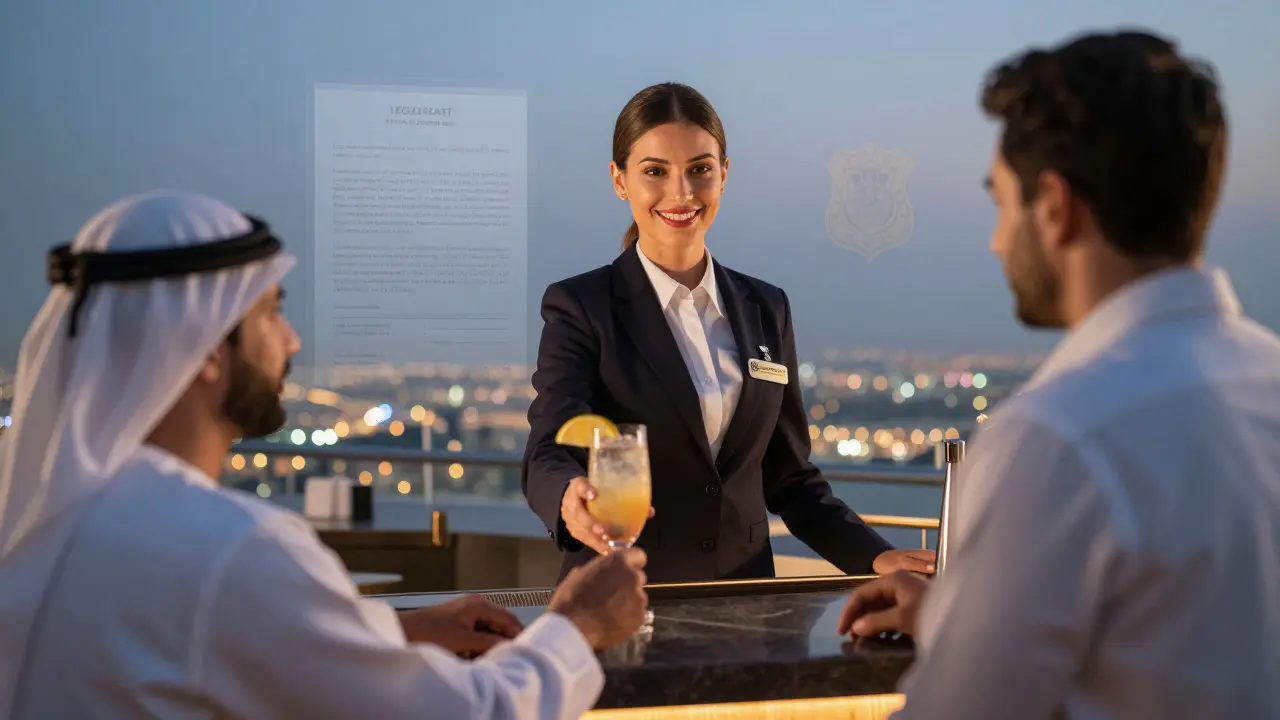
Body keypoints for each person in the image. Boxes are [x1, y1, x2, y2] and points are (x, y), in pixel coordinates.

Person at [0, 190, 649, 720]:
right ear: (201, 349)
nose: (290, 340)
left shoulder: (62, 522)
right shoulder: (228, 549)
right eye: (269, 314)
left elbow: (210, 641)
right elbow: (468, 713)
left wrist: (392, 632)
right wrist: (576, 625)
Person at [837, 30, 1280, 718]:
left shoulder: (1059, 439)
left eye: (1001, 203)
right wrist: (970, 616)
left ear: (1053, 206)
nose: (995, 239)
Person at [523, 82, 933, 583]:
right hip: (619, 595)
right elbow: (548, 450)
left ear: (724, 175)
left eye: (700, 169)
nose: (682, 193)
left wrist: (874, 557)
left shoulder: (766, 307)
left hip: (747, 604)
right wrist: (569, 497)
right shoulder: (580, 306)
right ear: (619, 180)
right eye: (655, 171)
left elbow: (789, 477)